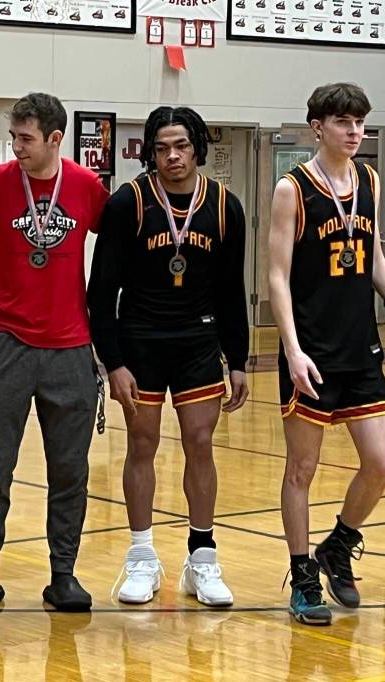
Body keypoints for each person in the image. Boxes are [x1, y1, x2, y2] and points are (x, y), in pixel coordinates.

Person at [268, 83, 385, 626]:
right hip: (310, 350)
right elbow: (276, 275)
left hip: (360, 346)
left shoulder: (369, 177)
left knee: (382, 463)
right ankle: (301, 575)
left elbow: (375, 256)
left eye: (360, 122)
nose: (354, 131)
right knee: (302, 469)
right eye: (343, 122)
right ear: (318, 127)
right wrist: (290, 350)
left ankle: (337, 545)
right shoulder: (292, 189)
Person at [0, 93, 109, 613]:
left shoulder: (86, 187)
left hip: (70, 349)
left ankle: (64, 575)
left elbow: (118, 258)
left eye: (26, 139)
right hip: (8, 345)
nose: (16, 147)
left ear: (55, 139)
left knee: (70, 471)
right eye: (13, 136)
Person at [86, 106, 249, 607]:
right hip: (141, 339)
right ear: (149, 152)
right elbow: (100, 291)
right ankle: (141, 557)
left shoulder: (225, 206)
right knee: (142, 443)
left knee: (201, 442)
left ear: (197, 146)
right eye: (161, 148)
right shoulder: (128, 203)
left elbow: (230, 291)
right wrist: (113, 362)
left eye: (180, 145)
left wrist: (238, 359)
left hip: (198, 341)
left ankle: (202, 558)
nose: (171, 156)